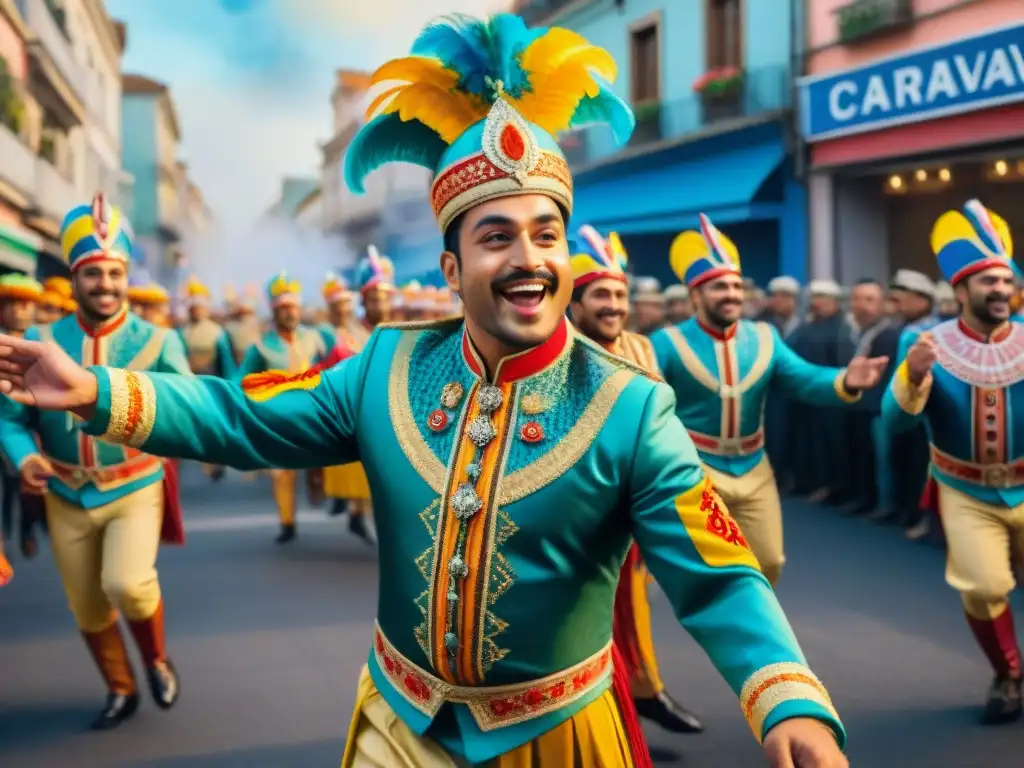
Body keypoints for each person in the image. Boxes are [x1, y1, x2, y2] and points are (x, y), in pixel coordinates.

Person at [0, 13, 848, 767]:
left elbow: (720, 572)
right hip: (398, 723)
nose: (529, 258)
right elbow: (239, 413)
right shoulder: (386, 367)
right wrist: (95, 390)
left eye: (547, 234)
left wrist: (786, 697)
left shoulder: (630, 406)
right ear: (451, 268)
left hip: (555, 735)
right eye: (496, 237)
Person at [0, 193, 188, 730]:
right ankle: (120, 688)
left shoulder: (159, 342)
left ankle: (155, 657)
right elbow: (9, 417)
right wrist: (25, 457)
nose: (105, 284)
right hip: (62, 491)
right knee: (85, 605)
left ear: (125, 275)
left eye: (114, 273)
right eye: (92, 275)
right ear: (75, 277)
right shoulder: (37, 341)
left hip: (134, 484)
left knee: (128, 584)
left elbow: (188, 410)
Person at [650, 218, 888, 585]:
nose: (730, 294)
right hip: (694, 471)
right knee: (714, 573)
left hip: (754, 467)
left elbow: (803, 378)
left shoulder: (764, 337)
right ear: (695, 296)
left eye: (734, 286)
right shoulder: (665, 343)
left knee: (769, 562)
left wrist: (844, 380)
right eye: (718, 287)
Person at [881, 199, 1024, 725]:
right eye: (987, 282)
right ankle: (1008, 672)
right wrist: (913, 377)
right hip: (963, 489)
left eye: (1004, 280)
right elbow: (893, 423)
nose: (1000, 290)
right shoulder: (922, 342)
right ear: (959, 291)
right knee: (985, 587)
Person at [567, 225, 703, 736]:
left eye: (620, 294)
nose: (614, 304)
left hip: (633, 503)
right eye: (601, 294)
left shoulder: (643, 348)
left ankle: (639, 693)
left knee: (630, 603)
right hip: (572, 508)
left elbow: (661, 422)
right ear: (574, 303)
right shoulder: (557, 351)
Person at [234, 270, 326, 544]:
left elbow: (331, 367)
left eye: (294, 308)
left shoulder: (314, 339)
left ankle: (320, 484)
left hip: (312, 412)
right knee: (282, 473)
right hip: (278, 416)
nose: (291, 313)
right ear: (275, 312)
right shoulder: (261, 346)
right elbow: (241, 381)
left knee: (324, 457)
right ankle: (287, 522)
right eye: (284, 309)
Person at [0, 273, 43, 556]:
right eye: (12, 303)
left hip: (26, 428)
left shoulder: (43, 341)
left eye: (26, 304)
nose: (20, 309)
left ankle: (27, 530)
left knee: (24, 485)